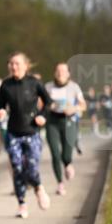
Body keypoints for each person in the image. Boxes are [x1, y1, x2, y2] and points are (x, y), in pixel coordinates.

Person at [0, 52, 52, 218]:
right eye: (11, 64)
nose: (13, 67)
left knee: (32, 168)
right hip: (13, 132)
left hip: (32, 131)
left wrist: (42, 115)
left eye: (17, 63)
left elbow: (48, 102)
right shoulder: (5, 85)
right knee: (17, 167)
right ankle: (22, 204)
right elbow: (0, 104)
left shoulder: (34, 83)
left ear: (26, 66)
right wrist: (0, 111)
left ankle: (38, 187)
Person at [45, 63, 86, 196]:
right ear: (54, 73)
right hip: (52, 122)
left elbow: (83, 105)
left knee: (66, 155)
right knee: (55, 154)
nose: (60, 73)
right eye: (58, 70)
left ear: (68, 73)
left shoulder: (74, 87)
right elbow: (40, 103)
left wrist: (73, 109)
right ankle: (60, 184)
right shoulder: (48, 87)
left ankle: (68, 164)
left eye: (63, 71)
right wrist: (48, 107)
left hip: (69, 121)